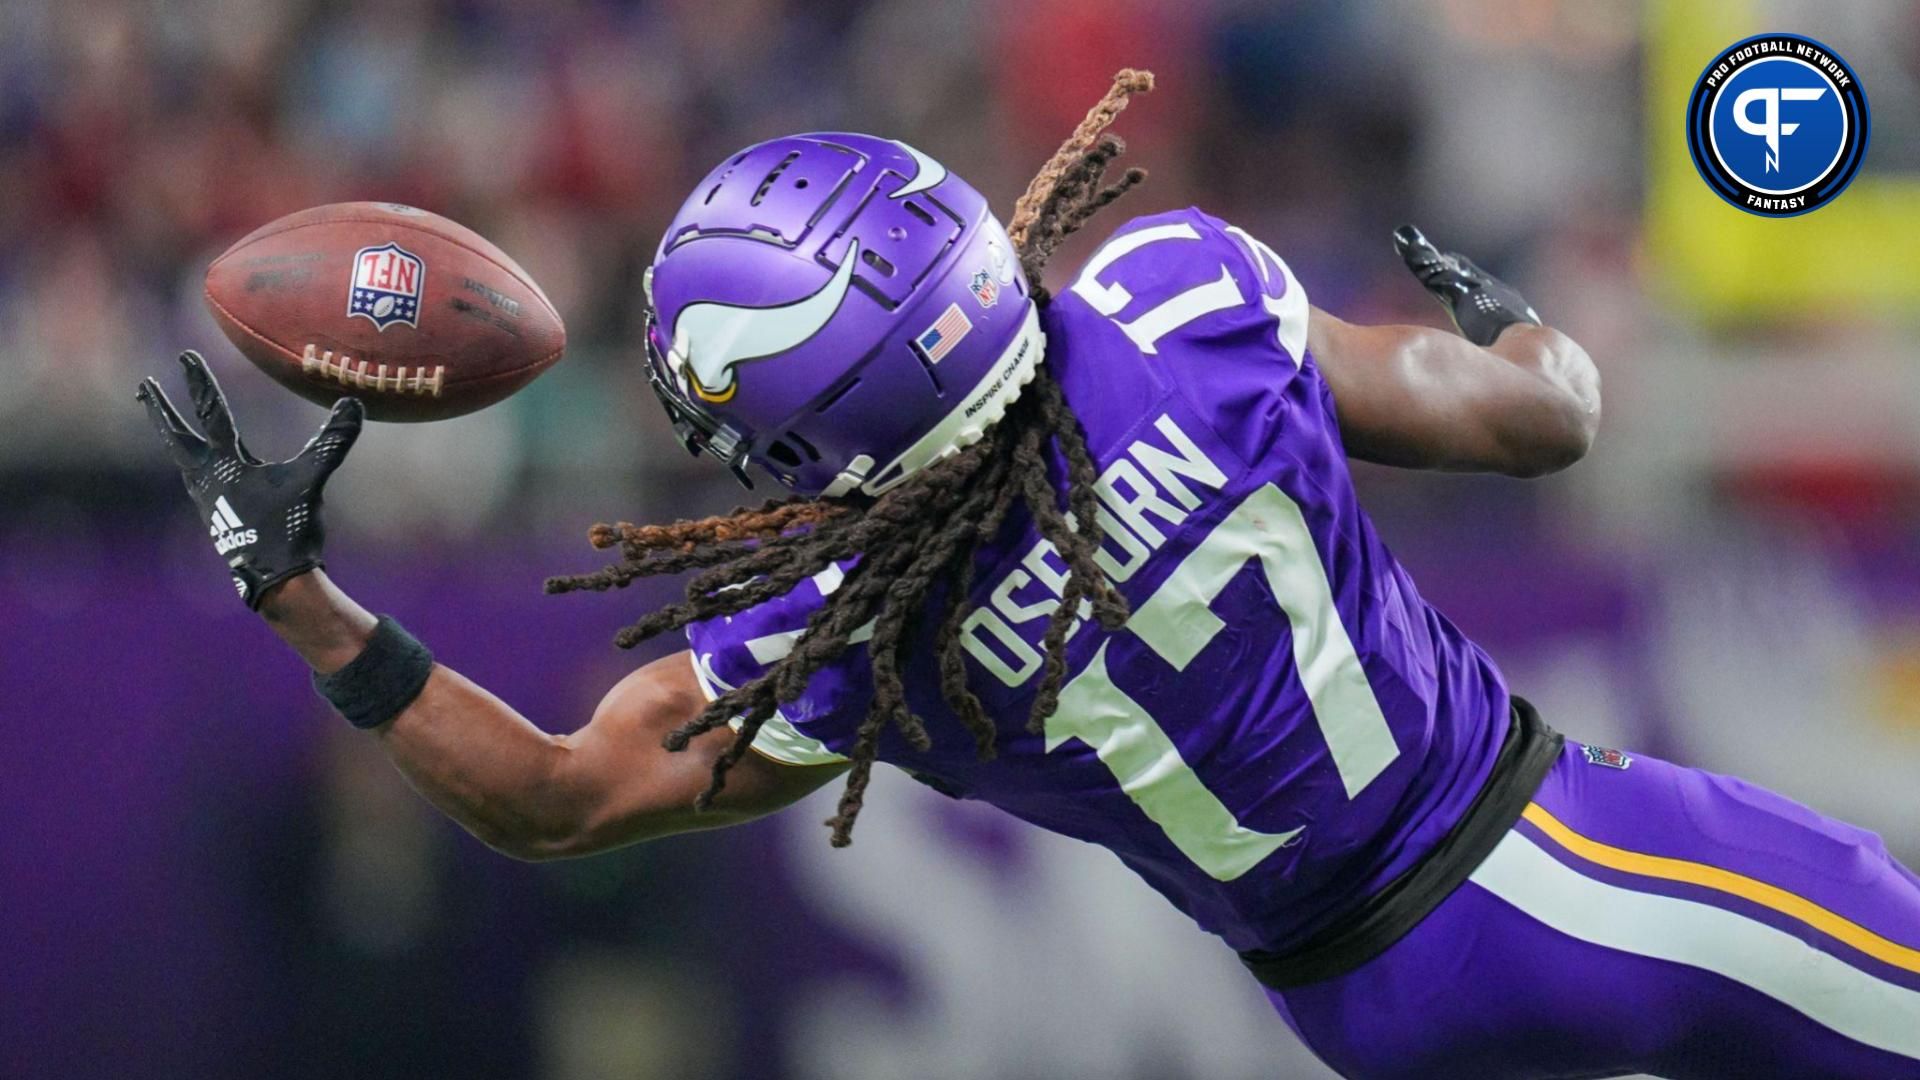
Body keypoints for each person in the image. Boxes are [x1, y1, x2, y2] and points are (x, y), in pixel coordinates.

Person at [137, 72, 1920, 1079]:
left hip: (1372, 1015)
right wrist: (1522, 321)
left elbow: (548, 797)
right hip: (1564, 865)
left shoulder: (866, 632)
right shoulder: (1187, 305)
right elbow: (1545, 426)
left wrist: (307, 600)